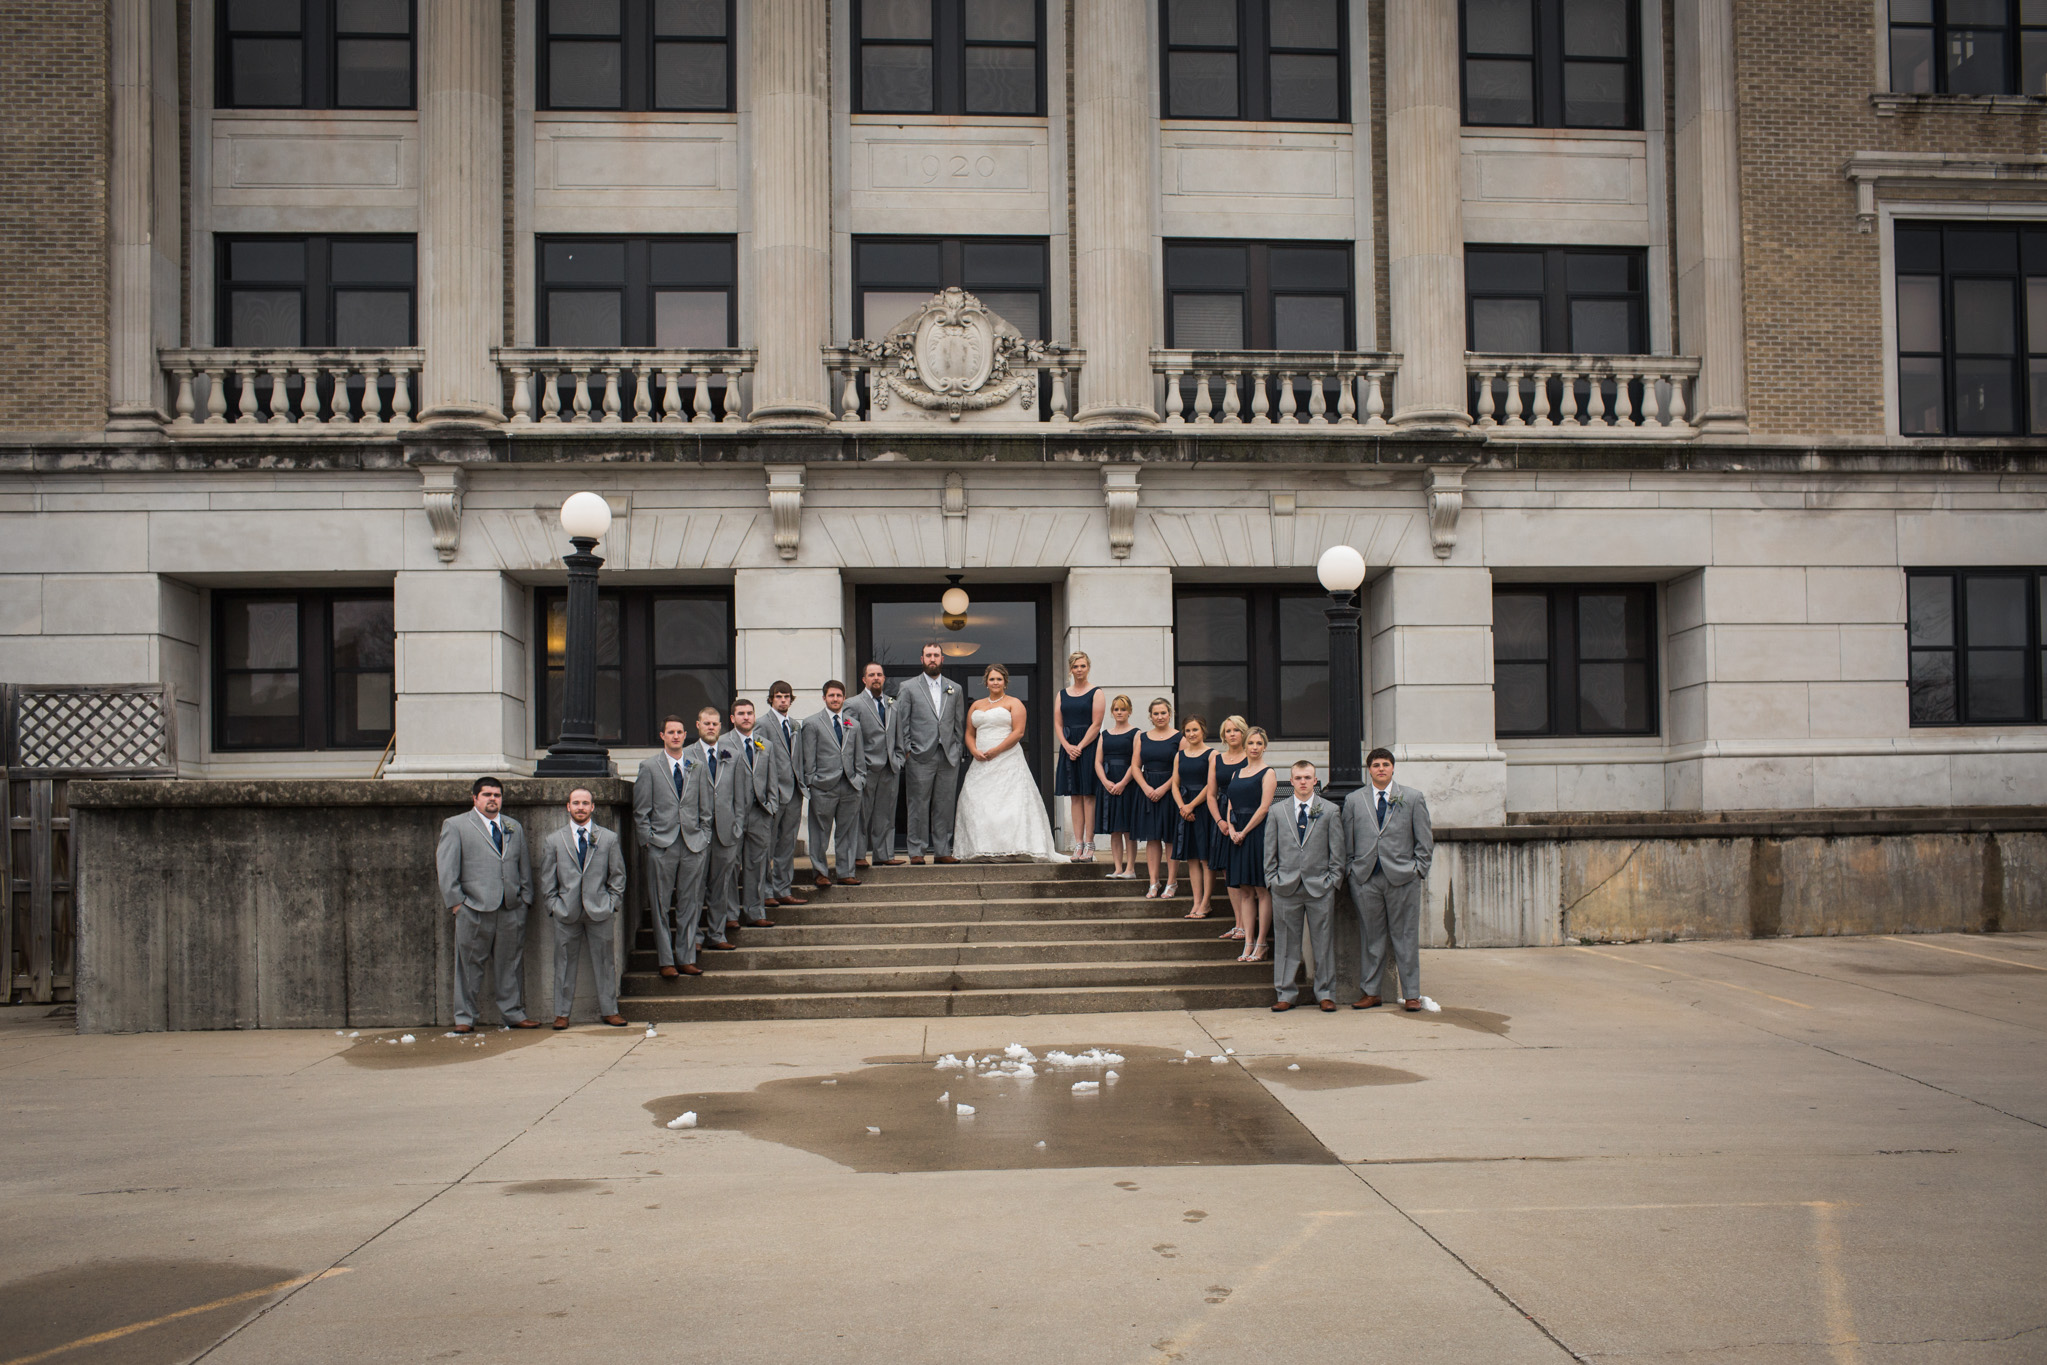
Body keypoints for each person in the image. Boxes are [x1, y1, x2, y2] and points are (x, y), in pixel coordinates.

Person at [436, 776, 538, 1033]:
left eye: (497, 795)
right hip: (474, 908)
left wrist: (525, 898)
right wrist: (458, 904)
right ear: (475, 798)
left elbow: (523, 864)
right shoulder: (456, 825)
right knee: (469, 965)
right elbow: (447, 869)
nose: (493, 799)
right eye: (487, 795)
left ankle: (514, 1014)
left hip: (510, 908)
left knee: (510, 965)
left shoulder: (513, 826)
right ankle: (464, 1018)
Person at [1343, 747, 1434, 1011]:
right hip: (1366, 878)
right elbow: (1347, 839)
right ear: (1368, 769)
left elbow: (1424, 840)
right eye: (1375, 765)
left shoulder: (1413, 798)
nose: (1381, 768)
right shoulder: (1354, 800)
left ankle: (1412, 994)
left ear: (1393, 768)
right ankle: (1371, 992)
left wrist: (1418, 869)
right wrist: (1351, 869)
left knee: (1405, 937)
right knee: (1371, 937)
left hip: (1403, 877)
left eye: (1385, 764)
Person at [954, 662, 1068, 861]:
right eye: (992, 679)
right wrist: (974, 751)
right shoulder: (976, 705)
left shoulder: (1014, 703)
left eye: (999, 679)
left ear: (1005, 682)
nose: (995, 682)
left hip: (1007, 759)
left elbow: (1018, 732)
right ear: (986, 682)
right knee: (976, 801)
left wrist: (996, 750)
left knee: (1009, 802)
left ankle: (1012, 847)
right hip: (981, 760)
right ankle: (982, 847)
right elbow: (969, 733)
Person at [538, 786, 629, 1029]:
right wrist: (555, 906)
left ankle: (610, 1011)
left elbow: (617, 876)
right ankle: (562, 1014)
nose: (580, 807)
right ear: (568, 807)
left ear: (593, 807)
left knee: (605, 963)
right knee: (564, 963)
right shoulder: (554, 840)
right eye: (576, 803)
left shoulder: (608, 838)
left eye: (585, 803)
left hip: (599, 911)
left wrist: (611, 904)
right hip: (566, 913)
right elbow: (547, 879)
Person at [633, 716, 714, 979]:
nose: (676, 736)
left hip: (693, 843)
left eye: (680, 732)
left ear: (685, 734)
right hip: (662, 845)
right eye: (671, 732)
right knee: (660, 904)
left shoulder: (696, 766)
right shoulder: (650, 767)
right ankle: (666, 960)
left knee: (690, 904)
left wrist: (704, 837)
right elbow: (641, 811)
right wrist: (648, 840)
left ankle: (687, 957)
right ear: (662, 736)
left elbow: (705, 808)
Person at [1264, 761, 1348, 1012]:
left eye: (1307, 777)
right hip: (1285, 886)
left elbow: (1338, 851)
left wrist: (1333, 881)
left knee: (1323, 943)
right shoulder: (1277, 811)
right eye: (1298, 777)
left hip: (1319, 887)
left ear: (1315, 780)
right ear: (1291, 781)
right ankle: (1285, 993)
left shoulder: (1330, 810)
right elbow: (1270, 849)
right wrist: (1272, 879)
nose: (1302, 782)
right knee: (1286, 942)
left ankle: (1325, 993)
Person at [894, 643, 966, 865]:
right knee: (917, 804)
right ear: (921, 659)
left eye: (936, 655)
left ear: (942, 658)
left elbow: (959, 723)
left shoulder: (955, 688)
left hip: (947, 756)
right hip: (919, 756)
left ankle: (943, 850)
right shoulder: (908, 687)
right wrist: (907, 750)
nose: (932, 659)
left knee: (945, 804)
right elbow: (901, 722)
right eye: (928, 655)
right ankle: (916, 850)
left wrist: (956, 749)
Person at [716, 699, 779, 932]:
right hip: (732, 815)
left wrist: (772, 805)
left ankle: (755, 912)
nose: (746, 717)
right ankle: (731, 914)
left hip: (760, 813)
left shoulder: (766, 745)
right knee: (731, 865)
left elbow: (771, 777)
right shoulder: (723, 742)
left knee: (757, 865)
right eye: (741, 713)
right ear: (732, 718)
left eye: (750, 713)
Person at [799, 680, 866, 889]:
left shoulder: (853, 724)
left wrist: (860, 778)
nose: (835, 699)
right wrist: (812, 781)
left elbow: (859, 755)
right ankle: (820, 872)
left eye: (839, 695)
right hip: (823, 786)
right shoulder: (812, 723)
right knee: (820, 832)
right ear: (824, 698)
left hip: (850, 785)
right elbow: (808, 757)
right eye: (831, 696)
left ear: (844, 698)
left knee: (847, 831)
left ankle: (846, 872)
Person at [1221, 727, 1278, 963]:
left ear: (1264, 746)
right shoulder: (1236, 773)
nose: (1254, 747)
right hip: (1236, 835)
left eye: (1258, 743)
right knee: (1244, 890)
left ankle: (1262, 943)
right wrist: (1232, 829)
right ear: (1244, 746)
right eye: (1250, 743)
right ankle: (1248, 942)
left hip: (1257, 834)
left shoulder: (1268, 773)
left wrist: (1244, 830)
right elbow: (1230, 804)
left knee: (1261, 889)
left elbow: (1264, 807)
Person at [693, 705, 743, 954]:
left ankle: (717, 933)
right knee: (694, 887)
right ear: (698, 725)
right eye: (706, 723)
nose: (711, 727)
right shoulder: (688, 754)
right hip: (696, 834)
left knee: (721, 886)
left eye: (715, 723)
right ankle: (693, 937)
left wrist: (737, 827)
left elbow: (740, 797)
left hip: (726, 832)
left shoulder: (732, 754)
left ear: (720, 727)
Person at [847, 662, 905, 867]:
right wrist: (857, 765)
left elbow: (899, 733)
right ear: (864, 679)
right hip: (866, 768)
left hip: (890, 767)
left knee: (886, 814)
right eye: (871, 675)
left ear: (884, 678)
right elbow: (850, 739)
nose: (876, 678)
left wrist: (899, 758)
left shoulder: (893, 703)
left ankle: (884, 855)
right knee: (861, 815)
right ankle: (859, 856)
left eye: (879, 674)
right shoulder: (853, 704)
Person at [1054, 652, 1106, 861]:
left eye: (1083, 666)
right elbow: (1058, 723)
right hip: (1068, 747)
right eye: (1076, 666)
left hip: (1090, 747)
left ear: (1088, 667)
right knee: (1074, 796)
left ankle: (1090, 844)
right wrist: (1067, 746)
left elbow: (1097, 724)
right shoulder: (1062, 694)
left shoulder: (1096, 692)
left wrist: (1080, 746)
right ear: (1070, 669)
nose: (1079, 670)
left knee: (1088, 795)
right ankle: (1078, 844)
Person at [762, 682, 809, 908]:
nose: (783, 700)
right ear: (771, 699)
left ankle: (783, 889)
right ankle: (765, 891)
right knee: (767, 845)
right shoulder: (762, 725)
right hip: (773, 794)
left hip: (794, 793)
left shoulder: (794, 725)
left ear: (792, 699)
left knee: (787, 845)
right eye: (778, 696)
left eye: (786, 696)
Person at [1204, 717, 1251, 941]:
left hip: (1244, 814)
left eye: (1236, 730)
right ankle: (1239, 923)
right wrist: (1220, 821)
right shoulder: (1216, 758)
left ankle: (1248, 925)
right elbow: (1210, 794)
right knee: (1227, 871)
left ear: (1243, 733)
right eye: (1228, 731)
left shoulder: (1250, 755)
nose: (1232, 734)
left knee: (1241, 869)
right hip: (1221, 816)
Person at [1133, 698, 1183, 900]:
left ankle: (1171, 882)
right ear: (1150, 716)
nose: (1160, 717)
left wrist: (1164, 788)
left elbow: (1181, 768)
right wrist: (1146, 787)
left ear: (1170, 714)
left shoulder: (1179, 738)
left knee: (1170, 838)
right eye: (1156, 713)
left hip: (1171, 790)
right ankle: (1154, 882)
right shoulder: (1142, 737)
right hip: (1147, 791)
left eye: (1163, 713)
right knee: (1152, 838)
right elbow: (1135, 766)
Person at [1091, 694, 1141, 879]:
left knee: (1128, 828)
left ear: (1130, 711)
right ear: (1112, 712)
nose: (1120, 712)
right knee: (1115, 829)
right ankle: (1118, 868)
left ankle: (1131, 869)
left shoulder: (1136, 733)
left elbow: (1137, 762)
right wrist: (1105, 782)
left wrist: (1123, 783)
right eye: (1116, 709)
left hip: (1127, 784)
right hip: (1108, 784)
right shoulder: (1104, 735)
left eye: (1123, 709)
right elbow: (1098, 761)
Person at [1173, 716, 1218, 919]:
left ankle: (1206, 902)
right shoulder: (1179, 755)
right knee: (1192, 858)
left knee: (1205, 858)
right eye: (1188, 730)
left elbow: (1212, 785)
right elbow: (1175, 783)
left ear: (1203, 731)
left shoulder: (1212, 755)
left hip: (1204, 808)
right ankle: (1196, 901)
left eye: (1195, 730)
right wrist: (1183, 806)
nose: (1191, 734)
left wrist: (1192, 805)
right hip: (1184, 809)